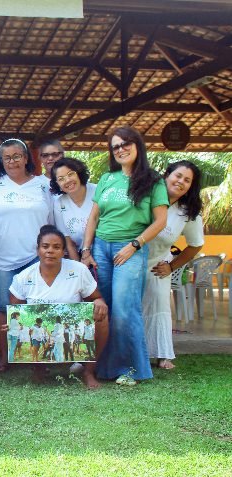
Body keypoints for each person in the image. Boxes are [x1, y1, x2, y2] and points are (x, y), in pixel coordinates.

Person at [80, 127, 168, 385]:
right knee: (103, 309)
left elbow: (160, 220)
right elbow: (94, 217)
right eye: (116, 146)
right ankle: (103, 367)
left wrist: (134, 245)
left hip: (129, 249)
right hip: (101, 249)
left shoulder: (153, 180)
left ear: (138, 146)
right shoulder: (108, 178)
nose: (120, 149)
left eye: (125, 144)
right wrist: (86, 250)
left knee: (125, 310)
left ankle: (130, 369)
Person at [8, 225, 109, 388]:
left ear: (63, 252)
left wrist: (99, 302)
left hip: (70, 331)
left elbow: (96, 298)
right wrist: (12, 325)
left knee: (101, 318)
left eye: (56, 247)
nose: (50, 251)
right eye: (45, 246)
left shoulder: (79, 271)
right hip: (41, 336)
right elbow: (15, 312)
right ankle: (38, 368)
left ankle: (88, 371)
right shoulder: (23, 277)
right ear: (37, 250)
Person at [0, 138, 53, 371]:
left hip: (37, 257)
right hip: (1, 257)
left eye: (17, 156)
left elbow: (52, 222)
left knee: (36, 307)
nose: (12, 161)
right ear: (1, 162)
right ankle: (6, 358)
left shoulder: (44, 185)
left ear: (26, 158)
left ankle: (38, 360)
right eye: (6, 158)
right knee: (5, 308)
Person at [143, 160, 204, 370]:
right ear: (166, 175)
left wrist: (172, 266)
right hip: (129, 259)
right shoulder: (145, 196)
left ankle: (161, 354)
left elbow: (195, 245)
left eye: (187, 180)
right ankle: (129, 351)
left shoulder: (188, 212)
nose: (181, 182)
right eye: (178, 176)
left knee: (158, 305)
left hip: (158, 265)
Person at [50, 157, 97, 260]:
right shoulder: (59, 203)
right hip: (81, 255)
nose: (67, 180)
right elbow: (68, 242)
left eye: (70, 174)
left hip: (103, 252)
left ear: (79, 173)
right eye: (61, 179)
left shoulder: (97, 191)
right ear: (57, 184)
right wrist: (79, 269)